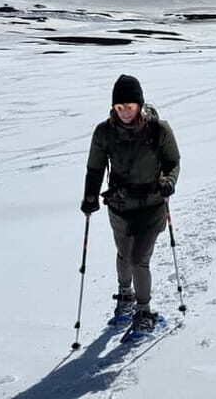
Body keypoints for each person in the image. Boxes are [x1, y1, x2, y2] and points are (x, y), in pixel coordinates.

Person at [81, 74, 180, 333]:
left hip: (152, 204)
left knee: (138, 259)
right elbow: (95, 167)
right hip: (120, 206)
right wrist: (90, 196)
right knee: (124, 255)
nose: (125, 112)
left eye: (130, 106)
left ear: (139, 104)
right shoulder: (105, 133)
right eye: (120, 107)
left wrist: (169, 181)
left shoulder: (158, 130)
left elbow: (172, 161)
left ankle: (144, 310)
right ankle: (125, 296)